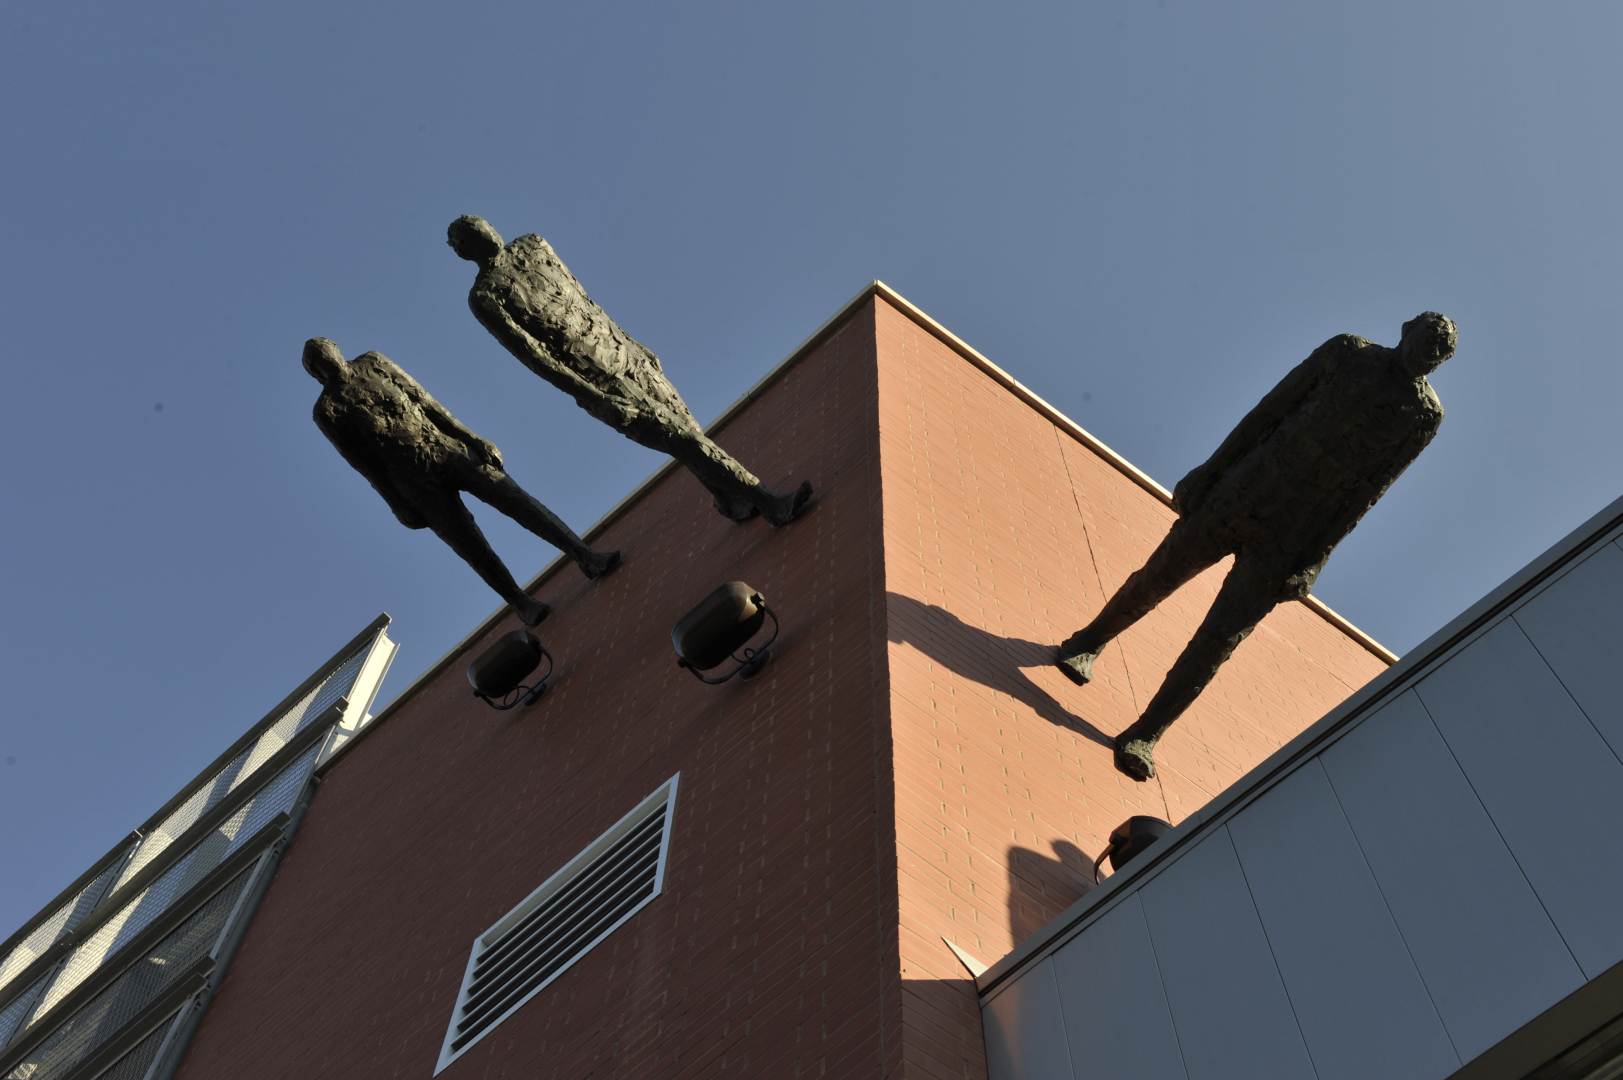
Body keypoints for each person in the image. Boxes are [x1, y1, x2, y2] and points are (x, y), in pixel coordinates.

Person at [1056, 313, 1458, 781]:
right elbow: (1270, 410)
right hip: (1246, 487)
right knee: (1162, 574)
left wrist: (1314, 561)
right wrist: (1210, 470)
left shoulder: (1424, 416)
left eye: (1437, 352)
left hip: (1294, 535)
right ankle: (1087, 643)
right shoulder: (1348, 351)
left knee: (1221, 639)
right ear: (1406, 330)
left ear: (1441, 362)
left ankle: (1146, 733)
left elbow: (1369, 492)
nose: (1426, 354)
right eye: (1425, 340)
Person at [447, 215, 812, 525]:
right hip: (598, 380)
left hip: (624, 354)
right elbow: (535, 357)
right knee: (682, 439)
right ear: (463, 251)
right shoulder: (485, 297)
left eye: (479, 225)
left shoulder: (534, 244)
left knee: (687, 428)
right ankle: (767, 500)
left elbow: (584, 299)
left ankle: (729, 499)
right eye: (467, 235)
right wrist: (592, 396)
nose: (480, 232)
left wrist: (635, 344)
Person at [303, 338, 619, 625]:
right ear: (315, 374)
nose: (326, 361)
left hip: (447, 448)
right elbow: (364, 466)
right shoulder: (328, 411)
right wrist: (396, 505)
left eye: (326, 352)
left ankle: (584, 555)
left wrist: (473, 438)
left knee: (517, 501)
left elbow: (427, 402)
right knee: (471, 546)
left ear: (337, 350)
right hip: (413, 484)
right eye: (318, 362)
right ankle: (521, 602)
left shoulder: (373, 361)